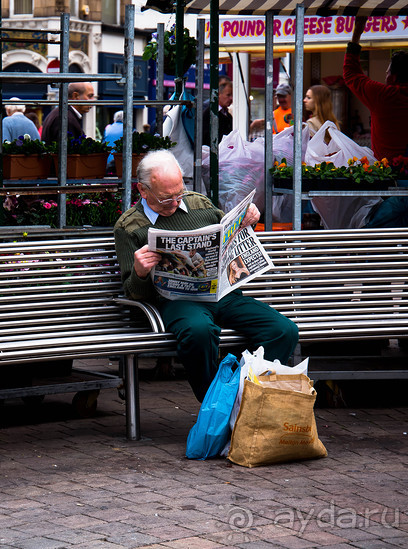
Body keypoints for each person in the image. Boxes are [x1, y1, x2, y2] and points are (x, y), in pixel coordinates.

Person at [113, 149, 299, 401]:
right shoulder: (129, 226)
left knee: (283, 330)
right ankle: (215, 402)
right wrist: (140, 271)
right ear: (143, 190)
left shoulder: (200, 204)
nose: (177, 202)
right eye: (167, 198)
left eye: (180, 192)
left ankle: (241, 393)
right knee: (199, 331)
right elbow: (133, 292)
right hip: (177, 302)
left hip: (223, 293)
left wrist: (248, 221)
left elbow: (227, 237)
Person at [344, 15, 408, 163]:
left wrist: (357, 33)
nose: (385, 75)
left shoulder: (384, 96)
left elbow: (351, 73)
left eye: (387, 72)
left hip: (387, 172)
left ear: (393, 77)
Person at [201, 78, 233, 144]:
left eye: (232, 95)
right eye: (228, 95)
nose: (231, 98)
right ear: (218, 95)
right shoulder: (208, 114)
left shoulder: (228, 116)